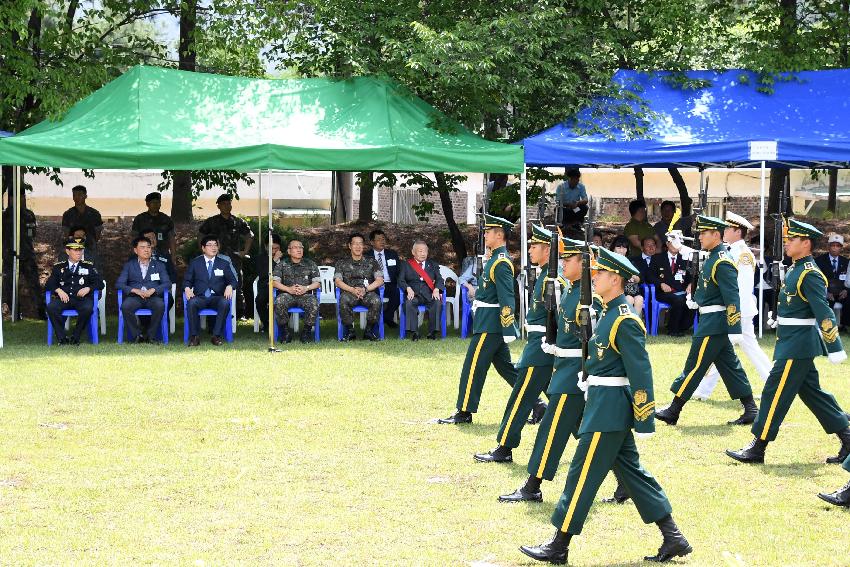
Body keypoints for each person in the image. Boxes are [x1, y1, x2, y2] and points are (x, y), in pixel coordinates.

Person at [520, 248, 691, 565]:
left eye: (600, 274)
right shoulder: (609, 312)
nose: (594, 277)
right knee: (634, 475)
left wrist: (644, 418)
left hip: (609, 410)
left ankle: (559, 545)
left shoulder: (624, 320)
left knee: (581, 475)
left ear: (616, 279)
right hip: (602, 404)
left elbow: (641, 372)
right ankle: (673, 536)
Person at [727, 219, 850, 465]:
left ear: (806, 244)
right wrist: (778, 318)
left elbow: (824, 313)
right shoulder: (795, 268)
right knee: (814, 394)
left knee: (774, 392)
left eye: (791, 240)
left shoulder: (810, 274)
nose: (786, 243)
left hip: (798, 346)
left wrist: (835, 348)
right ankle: (847, 436)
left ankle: (758, 446)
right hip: (791, 341)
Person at [499, 236, 589, 502]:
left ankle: (532, 485)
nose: (563, 264)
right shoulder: (570, 289)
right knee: (588, 429)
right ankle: (626, 480)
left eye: (568, 260)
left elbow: (588, 339)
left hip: (572, 371)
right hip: (562, 364)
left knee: (552, 428)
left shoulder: (580, 294)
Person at [655, 215, 757, 426]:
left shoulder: (722, 261)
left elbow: (732, 297)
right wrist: (698, 300)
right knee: (730, 366)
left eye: (703, 233)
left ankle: (674, 410)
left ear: (716, 235)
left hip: (715, 322)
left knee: (695, 364)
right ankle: (751, 408)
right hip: (710, 318)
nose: (699, 236)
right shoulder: (713, 257)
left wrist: (734, 326)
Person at [474, 225, 554, 462]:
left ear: (547, 249)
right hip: (542, 346)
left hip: (540, 347)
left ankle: (504, 447)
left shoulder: (552, 278)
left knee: (520, 398)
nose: (529, 250)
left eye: (534, 246)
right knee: (568, 409)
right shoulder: (544, 274)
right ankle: (619, 469)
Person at [437, 214, 518, 424]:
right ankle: (537, 405)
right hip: (488, 322)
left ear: (499, 235)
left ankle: (464, 411)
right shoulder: (494, 259)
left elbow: (507, 297)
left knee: (472, 366)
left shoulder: (501, 263)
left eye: (488, 232)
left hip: (491, 324)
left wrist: (508, 327)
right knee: (507, 368)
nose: (485, 235)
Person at [693, 212, 772, 400]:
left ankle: (703, 390)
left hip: (739, 311)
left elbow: (742, 288)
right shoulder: (732, 251)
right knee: (727, 350)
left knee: (726, 349)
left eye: (727, 228)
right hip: (736, 311)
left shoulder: (742, 254)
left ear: (737, 231)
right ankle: (703, 390)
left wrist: (735, 313)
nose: (724, 231)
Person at [198, 194, 254, 318]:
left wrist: (244, 251)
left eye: (229, 203)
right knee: (215, 284)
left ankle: (239, 313)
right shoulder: (212, 221)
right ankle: (215, 311)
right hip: (215, 259)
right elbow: (201, 234)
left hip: (233, 259)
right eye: (223, 204)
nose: (226, 206)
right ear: (218, 206)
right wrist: (204, 251)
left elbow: (250, 235)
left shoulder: (237, 221)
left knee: (237, 284)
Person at [45, 237, 104, 345]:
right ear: (68, 251)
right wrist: (59, 290)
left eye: (80, 250)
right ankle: (62, 338)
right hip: (64, 298)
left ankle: (75, 336)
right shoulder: (59, 267)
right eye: (75, 250)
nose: (79, 252)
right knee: (51, 307)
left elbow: (100, 283)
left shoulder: (88, 266)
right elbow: (49, 283)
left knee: (88, 308)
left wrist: (88, 288)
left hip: (81, 299)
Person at [183, 235, 237, 346]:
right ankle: (194, 337)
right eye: (210, 245)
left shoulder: (223, 263)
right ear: (203, 248)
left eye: (215, 245)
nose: (213, 247)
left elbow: (233, 280)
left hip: (216, 297)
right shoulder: (195, 263)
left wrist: (230, 286)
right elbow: (187, 280)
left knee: (225, 303)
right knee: (191, 303)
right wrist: (187, 288)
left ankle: (216, 336)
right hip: (200, 297)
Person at [116, 236, 171, 343]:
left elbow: (167, 283)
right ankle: (137, 335)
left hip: (152, 297)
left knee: (160, 305)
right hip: (135, 297)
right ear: (135, 250)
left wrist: (153, 290)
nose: (146, 250)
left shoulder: (159, 265)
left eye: (148, 247)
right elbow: (119, 284)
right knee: (125, 306)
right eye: (142, 247)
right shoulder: (129, 265)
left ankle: (151, 336)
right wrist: (135, 290)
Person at [2, 191, 45, 319]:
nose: (18, 200)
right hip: (10, 256)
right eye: (14, 197)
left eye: (21, 197)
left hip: (27, 255)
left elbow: (32, 234)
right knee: (10, 285)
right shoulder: (5, 216)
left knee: (34, 285)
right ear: (10, 199)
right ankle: (15, 313)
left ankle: (41, 312)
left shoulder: (28, 215)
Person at [334, 233, 384, 341]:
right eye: (355, 244)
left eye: (360, 244)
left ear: (364, 246)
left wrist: (365, 289)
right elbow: (338, 281)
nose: (358, 246)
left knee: (376, 300)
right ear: (349, 246)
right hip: (349, 292)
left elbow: (380, 280)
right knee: (343, 300)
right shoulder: (341, 263)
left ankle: (369, 331)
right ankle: (350, 331)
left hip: (367, 292)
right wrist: (352, 289)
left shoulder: (372, 261)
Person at [273, 238, 321, 343]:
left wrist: (306, 288)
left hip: (305, 295)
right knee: (279, 302)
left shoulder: (310, 264)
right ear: (289, 251)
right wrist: (288, 289)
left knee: (313, 302)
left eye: (301, 247)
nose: (299, 250)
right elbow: (274, 282)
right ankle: (285, 333)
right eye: (295, 247)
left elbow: (317, 283)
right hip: (287, 294)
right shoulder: (282, 264)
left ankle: (306, 333)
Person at [397, 240, 444, 340]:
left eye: (425, 251)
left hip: (429, 294)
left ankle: (432, 332)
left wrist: (437, 289)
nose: (423, 254)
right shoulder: (406, 265)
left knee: (437, 303)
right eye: (420, 251)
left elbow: (440, 279)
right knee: (409, 304)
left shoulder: (433, 264)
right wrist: (407, 288)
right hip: (413, 294)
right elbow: (400, 280)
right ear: (413, 252)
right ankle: (414, 332)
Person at [647, 240, 692, 336]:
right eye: (673, 242)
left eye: (678, 243)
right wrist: (661, 284)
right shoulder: (657, 258)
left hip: (681, 291)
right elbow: (649, 276)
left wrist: (691, 284)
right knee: (678, 300)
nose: (676, 245)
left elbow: (692, 275)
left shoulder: (685, 258)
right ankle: (673, 330)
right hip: (663, 292)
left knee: (692, 299)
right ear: (667, 244)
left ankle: (683, 326)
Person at [815, 233, 850, 330]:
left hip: (842, 292)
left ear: (841, 248)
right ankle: (827, 327)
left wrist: (846, 290)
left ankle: (845, 326)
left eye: (838, 246)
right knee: (824, 302)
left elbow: (848, 279)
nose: (835, 248)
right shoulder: (819, 261)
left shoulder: (846, 262)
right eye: (832, 245)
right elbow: (816, 279)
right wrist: (826, 292)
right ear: (828, 247)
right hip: (826, 292)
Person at [370, 229, 401, 328]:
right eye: (378, 239)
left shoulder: (392, 254)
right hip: (374, 284)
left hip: (390, 283)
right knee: (375, 296)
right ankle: (383, 319)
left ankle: (386, 316)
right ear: (372, 242)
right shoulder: (367, 256)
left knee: (398, 293)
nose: (382, 241)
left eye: (383, 239)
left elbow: (399, 271)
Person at [132, 192, 177, 258]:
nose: (156, 205)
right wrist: (135, 255)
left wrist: (173, 256)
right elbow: (134, 239)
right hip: (144, 255)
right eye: (153, 203)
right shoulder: (140, 219)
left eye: (158, 202)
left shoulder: (166, 219)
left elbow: (171, 239)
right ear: (147, 204)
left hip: (163, 255)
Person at [255, 234, 283, 332]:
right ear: (266, 246)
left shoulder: (286, 258)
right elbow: (263, 274)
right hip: (266, 287)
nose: (274, 251)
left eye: (277, 248)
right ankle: (267, 324)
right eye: (271, 248)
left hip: (283, 287)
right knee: (259, 300)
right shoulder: (260, 258)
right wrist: (274, 260)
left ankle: (281, 324)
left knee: (287, 299)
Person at [61, 185, 103, 250]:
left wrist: (92, 243)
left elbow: (98, 233)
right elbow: (66, 233)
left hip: (90, 247)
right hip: (73, 247)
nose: (77, 197)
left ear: (85, 196)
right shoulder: (67, 214)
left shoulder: (95, 214)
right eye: (74, 195)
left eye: (79, 194)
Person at [612, 236, 644, 317]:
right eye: (618, 247)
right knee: (629, 299)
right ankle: (625, 325)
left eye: (624, 248)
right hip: (616, 291)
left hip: (631, 290)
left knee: (639, 299)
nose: (621, 250)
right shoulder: (610, 261)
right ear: (613, 248)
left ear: (627, 250)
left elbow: (640, 278)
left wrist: (634, 277)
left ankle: (635, 325)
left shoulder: (631, 261)